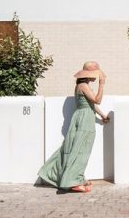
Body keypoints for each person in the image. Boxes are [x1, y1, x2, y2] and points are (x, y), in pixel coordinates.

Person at [37, 61, 111, 193]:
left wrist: (102, 116)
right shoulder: (83, 85)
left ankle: (77, 177)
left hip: (84, 116)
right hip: (84, 118)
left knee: (80, 149)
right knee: (80, 150)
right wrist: (102, 84)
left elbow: (92, 105)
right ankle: (72, 181)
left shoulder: (83, 85)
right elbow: (97, 100)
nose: (97, 76)